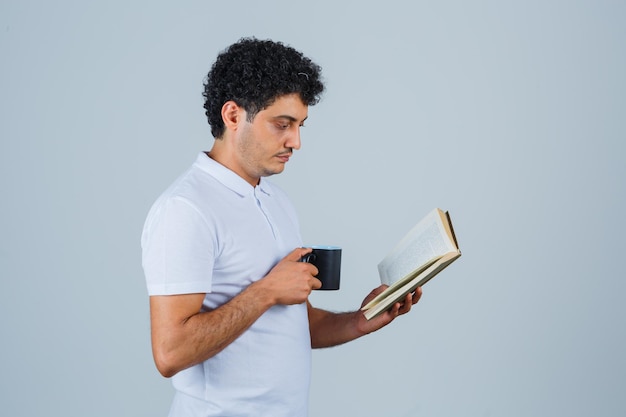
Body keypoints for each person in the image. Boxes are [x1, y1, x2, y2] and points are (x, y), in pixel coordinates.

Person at [141, 37, 422, 417]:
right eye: (282, 124)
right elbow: (170, 353)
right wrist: (265, 292)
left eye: (300, 124)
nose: (296, 141)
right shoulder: (186, 209)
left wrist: (361, 320)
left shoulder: (276, 202)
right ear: (234, 116)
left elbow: (296, 324)